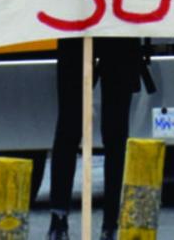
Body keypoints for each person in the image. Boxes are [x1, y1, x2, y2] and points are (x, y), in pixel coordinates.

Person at [44, 37, 143, 240]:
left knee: (115, 134)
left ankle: (110, 222)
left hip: (117, 35)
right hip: (80, 33)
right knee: (70, 126)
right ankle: (59, 217)